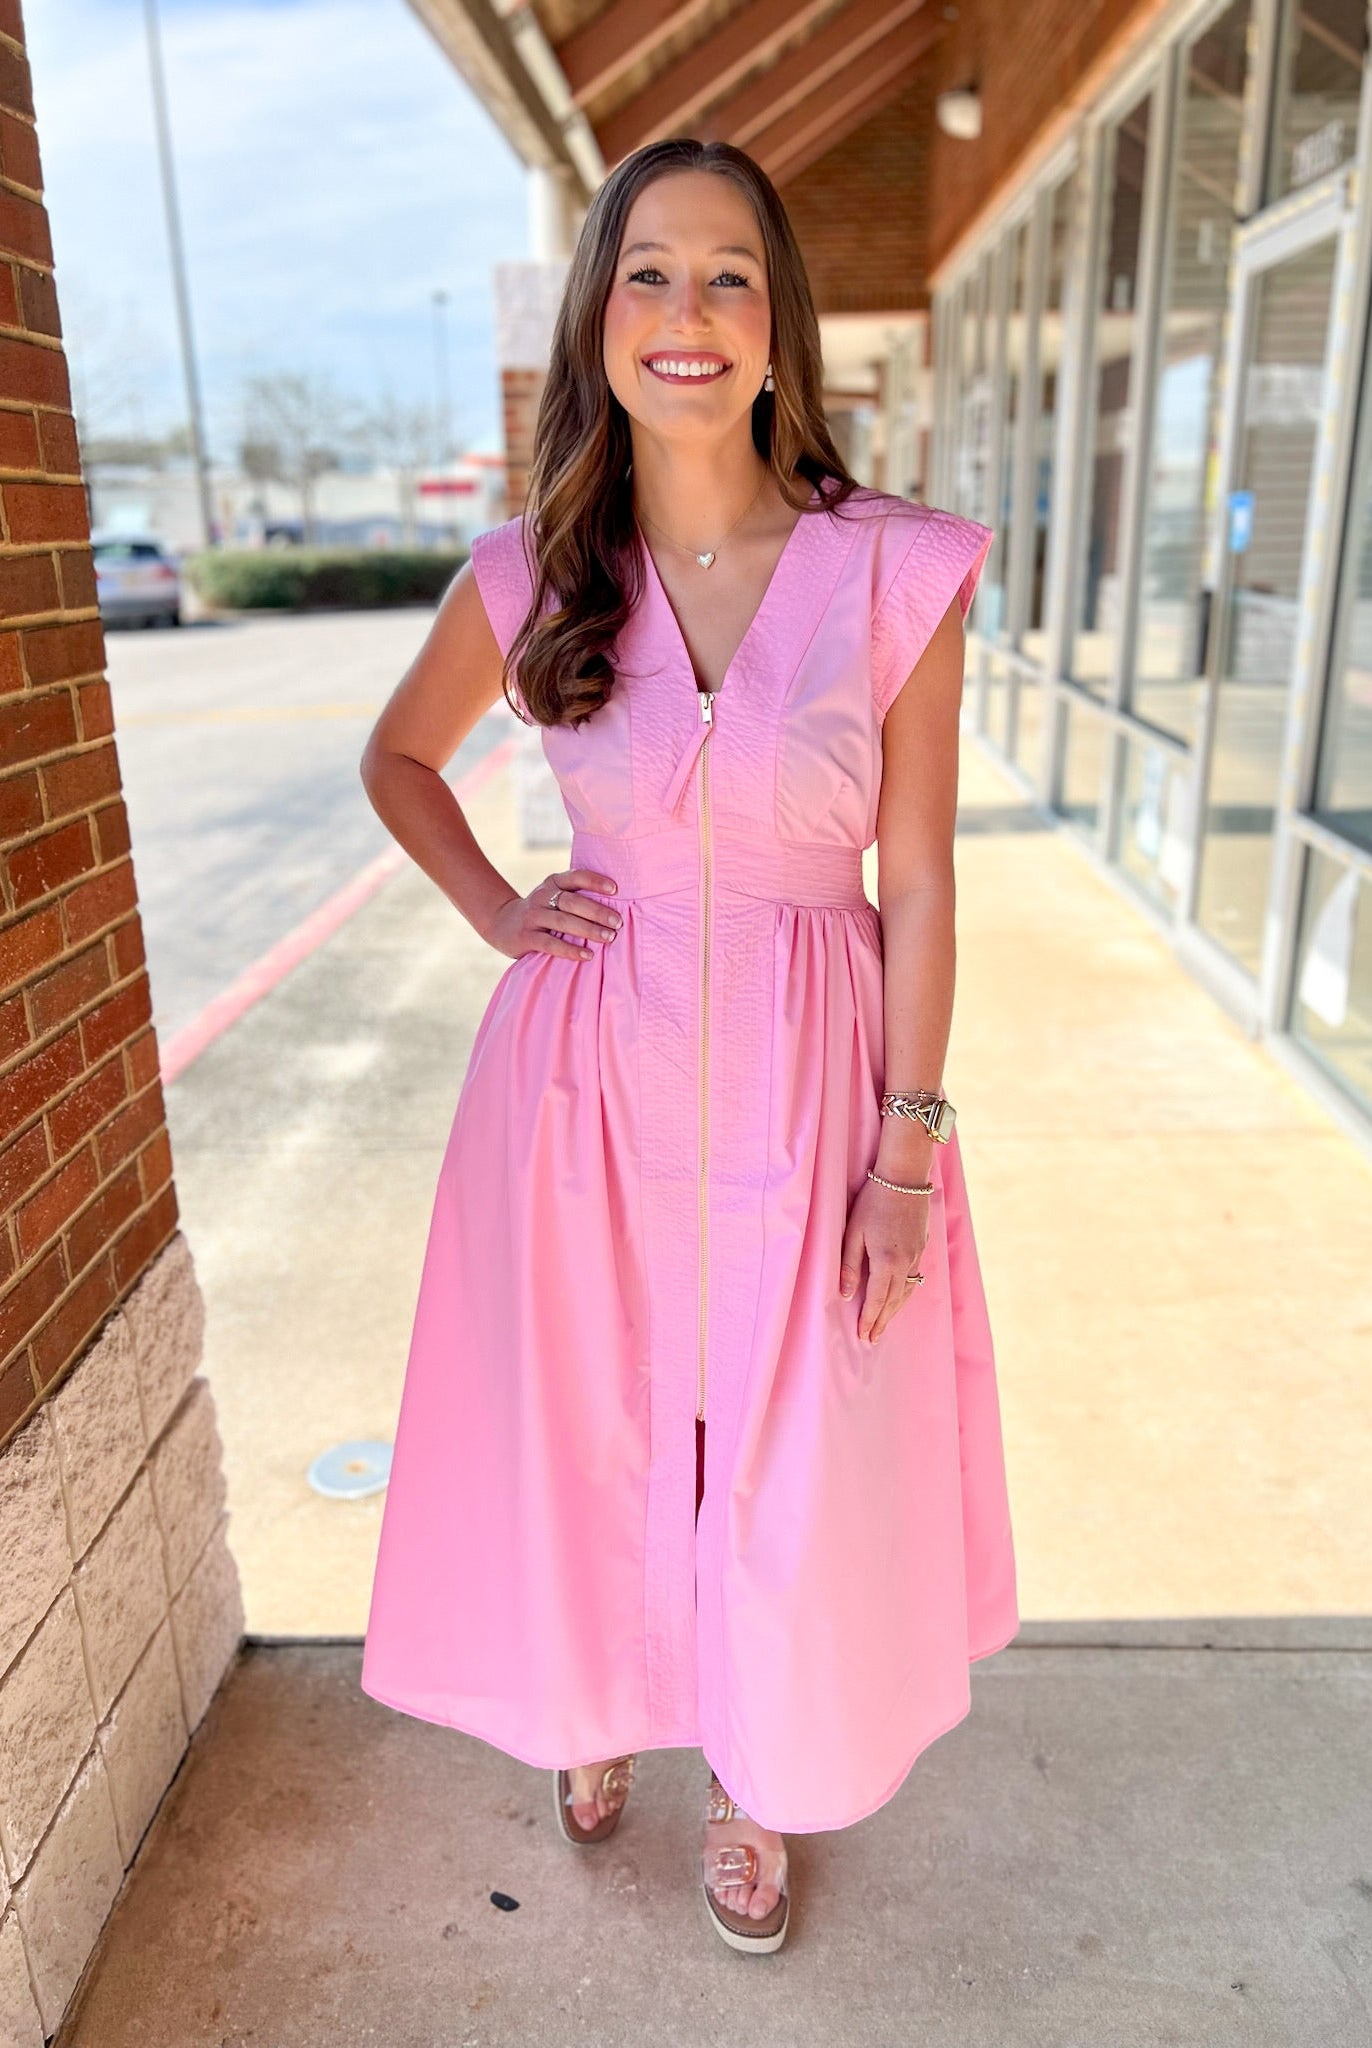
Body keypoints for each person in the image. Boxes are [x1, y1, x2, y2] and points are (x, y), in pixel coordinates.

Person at [358, 136, 1018, 1956]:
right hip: (585, 1090)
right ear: (598, 317)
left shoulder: (895, 574)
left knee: (778, 1441)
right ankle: (594, 1706)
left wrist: (910, 1151)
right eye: (649, 272)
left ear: (780, 320)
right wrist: (503, 914)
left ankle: (750, 1762)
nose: (689, 312)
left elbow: (927, 881)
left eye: (730, 273)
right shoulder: (533, 573)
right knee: (596, 1421)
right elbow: (397, 761)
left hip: (814, 1092)